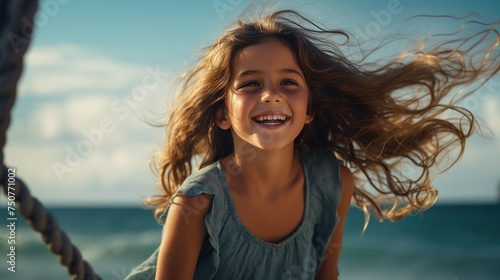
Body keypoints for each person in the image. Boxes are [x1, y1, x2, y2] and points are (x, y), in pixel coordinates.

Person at [125, 8, 499, 280]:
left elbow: (325, 275)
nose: (271, 94)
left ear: (309, 111)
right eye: (251, 83)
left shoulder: (333, 183)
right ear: (222, 113)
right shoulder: (198, 203)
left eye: (288, 82)